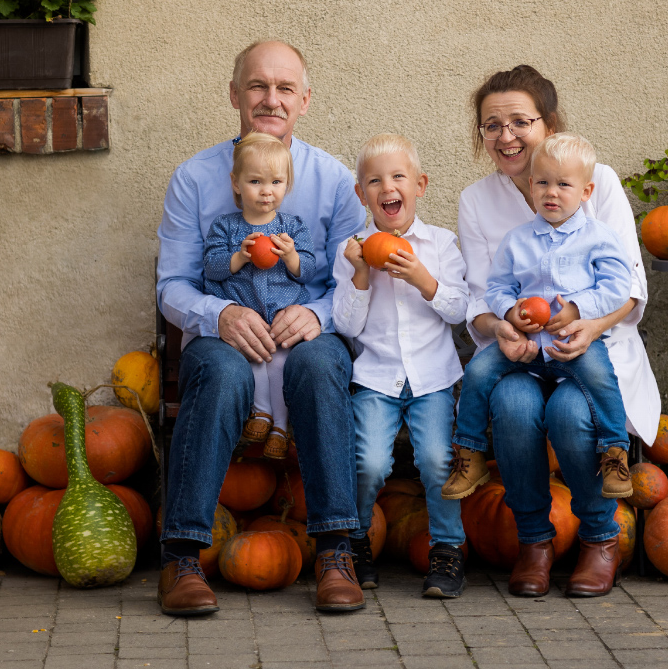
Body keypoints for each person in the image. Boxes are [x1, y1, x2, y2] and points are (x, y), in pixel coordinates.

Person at [156, 41, 367, 616]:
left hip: (305, 333)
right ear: (234, 95)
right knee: (221, 375)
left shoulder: (334, 180)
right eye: (257, 86)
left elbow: (353, 280)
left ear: (304, 100)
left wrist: (319, 314)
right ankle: (181, 556)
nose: (270, 100)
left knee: (321, 363)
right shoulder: (194, 178)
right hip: (223, 338)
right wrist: (217, 315)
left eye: (283, 89)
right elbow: (172, 283)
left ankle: (335, 548)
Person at [454, 65, 660, 598]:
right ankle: (533, 541)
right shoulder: (478, 200)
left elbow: (630, 288)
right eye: (491, 125)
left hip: (590, 348)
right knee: (518, 408)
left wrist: (587, 326)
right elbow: (482, 294)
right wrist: (503, 326)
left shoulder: (599, 181)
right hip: (522, 352)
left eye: (519, 121)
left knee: (570, 412)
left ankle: (598, 537)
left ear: (547, 123)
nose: (506, 136)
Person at [443, 133, 634, 503]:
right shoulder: (516, 241)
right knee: (479, 370)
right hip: (528, 347)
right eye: (543, 182)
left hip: (573, 344)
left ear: (586, 191)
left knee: (600, 376)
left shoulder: (599, 238)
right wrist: (511, 313)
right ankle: (469, 451)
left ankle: (614, 452)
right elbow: (495, 288)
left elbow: (618, 287)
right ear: (531, 186)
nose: (552, 192)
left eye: (564, 184)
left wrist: (578, 309)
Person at [331, 133, 471, 598]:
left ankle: (448, 550)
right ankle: (354, 543)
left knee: (436, 460)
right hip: (375, 378)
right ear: (361, 194)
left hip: (432, 379)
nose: (387, 187)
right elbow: (346, 325)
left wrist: (422, 279)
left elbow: (458, 311)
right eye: (374, 180)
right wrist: (361, 274)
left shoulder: (441, 244)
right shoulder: (352, 250)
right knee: (368, 462)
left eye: (397, 177)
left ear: (419, 185)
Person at [202, 132, 315, 459]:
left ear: (287, 184)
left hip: (281, 318)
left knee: (279, 362)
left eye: (276, 181)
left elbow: (308, 270)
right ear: (236, 183)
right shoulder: (225, 228)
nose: (267, 190)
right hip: (246, 320)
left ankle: (280, 428)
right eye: (255, 181)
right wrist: (239, 256)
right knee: (252, 359)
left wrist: (292, 256)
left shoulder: (292, 228)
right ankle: (262, 412)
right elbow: (211, 267)